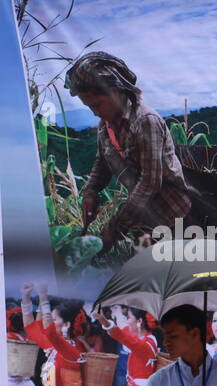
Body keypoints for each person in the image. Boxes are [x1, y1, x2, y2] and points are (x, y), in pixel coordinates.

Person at [65, 52, 197, 247]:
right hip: (144, 214)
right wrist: (91, 191)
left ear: (116, 91)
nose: (94, 112)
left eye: (97, 104)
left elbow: (150, 183)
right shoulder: (106, 125)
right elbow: (102, 162)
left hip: (174, 215)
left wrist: (115, 227)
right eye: (88, 107)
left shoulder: (145, 122)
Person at [22, 285, 89, 386]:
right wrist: (26, 297)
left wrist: (44, 297)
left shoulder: (72, 351)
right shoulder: (52, 348)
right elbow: (31, 328)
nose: (48, 324)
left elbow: (50, 331)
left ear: (66, 325)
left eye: (53, 320)